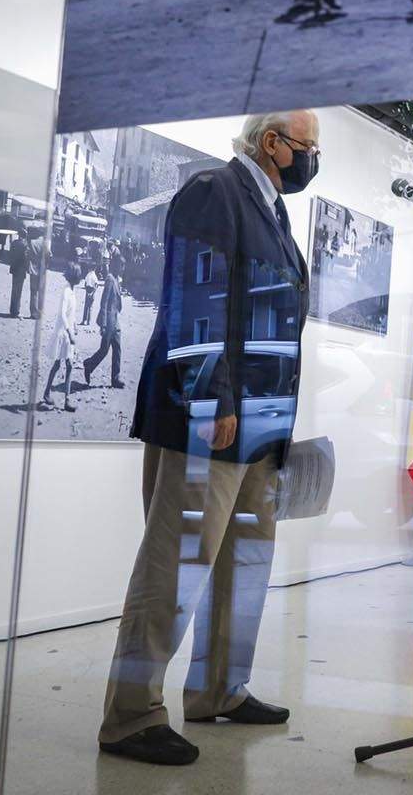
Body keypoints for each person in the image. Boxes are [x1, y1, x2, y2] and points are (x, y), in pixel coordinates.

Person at [99, 111, 316, 768]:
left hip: (261, 419)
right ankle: (130, 715)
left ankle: (218, 688)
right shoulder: (213, 191)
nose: (310, 158)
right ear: (272, 142)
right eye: (307, 147)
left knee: (242, 564)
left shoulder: (270, 209)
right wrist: (210, 393)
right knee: (176, 565)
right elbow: (194, 293)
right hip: (214, 413)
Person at [43, 265, 82, 412]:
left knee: (65, 365)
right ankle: (56, 396)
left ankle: (60, 397)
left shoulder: (72, 291)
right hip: (63, 333)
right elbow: (62, 314)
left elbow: (72, 313)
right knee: (61, 364)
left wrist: (75, 326)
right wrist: (69, 332)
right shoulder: (66, 291)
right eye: (79, 275)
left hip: (68, 331)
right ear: (74, 276)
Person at [84, 258, 126, 388]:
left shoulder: (116, 280)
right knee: (104, 350)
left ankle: (115, 378)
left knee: (117, 348)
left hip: (115, 320)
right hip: (108, 321)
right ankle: (89, 364)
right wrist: (103, 324)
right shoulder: (109, 279)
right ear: (116, 266)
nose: (123, 268)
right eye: (122, 266)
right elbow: (104, 302)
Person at [8, 231, 32, 317]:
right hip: (21, 270)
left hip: (14, 269)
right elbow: (26, 258)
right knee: (19, 291)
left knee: (14, 290)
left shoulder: (14, 243)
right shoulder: (25, 245)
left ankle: (12, 310)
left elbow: (10, 255)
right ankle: (16, 311)